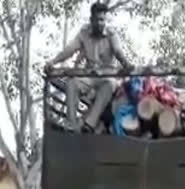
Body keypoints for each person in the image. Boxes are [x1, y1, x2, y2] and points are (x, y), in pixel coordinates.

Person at [44, 1, 133, 133]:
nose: (100, 23)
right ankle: (72, 124)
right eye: (97, 20)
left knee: (109, 85)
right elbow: (70, 49)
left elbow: (118, 51)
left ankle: (89, 124)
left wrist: (126, 64)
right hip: (89, 75)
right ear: (91, 20)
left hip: (106, 76)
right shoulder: (84, 32)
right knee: (72, 82)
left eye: (102, 20)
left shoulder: (111, 34)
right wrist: (53, 61)